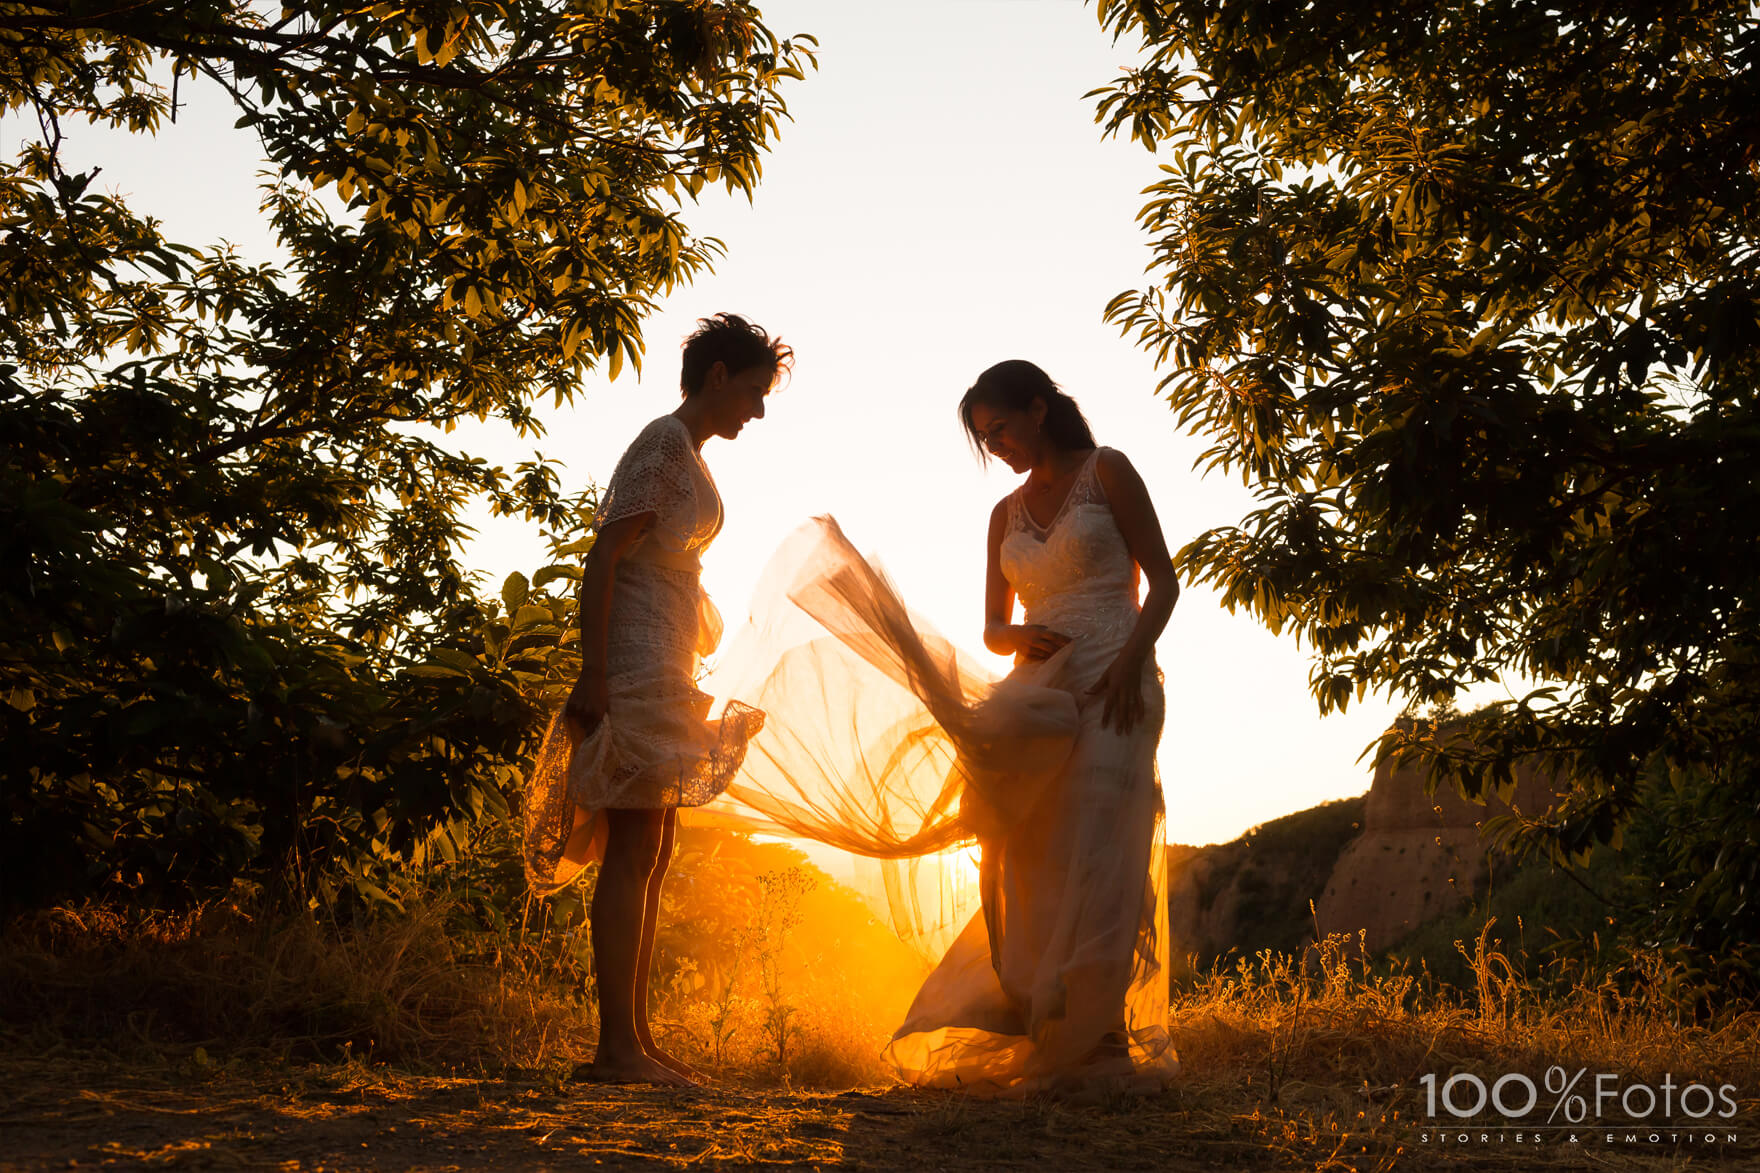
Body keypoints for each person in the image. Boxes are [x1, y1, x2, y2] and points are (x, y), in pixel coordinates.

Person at [710, 358, 1181, 1096]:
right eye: (986, 438)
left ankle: (1106, 1039)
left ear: (1038, 408)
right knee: (1026, 854)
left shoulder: (1108, 470)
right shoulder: (1006, 513)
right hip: (1040, 695)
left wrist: (1129, 664)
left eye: (1001, 429)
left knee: (1105, 848)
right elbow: (993, 625)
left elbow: (1165, 580)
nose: (998, 446)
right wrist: (1016, 636)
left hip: (1121, 684)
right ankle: (1044, 1016)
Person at [523, 312, 790, 1086]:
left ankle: (635, 1039)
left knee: (654, 848)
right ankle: (616, 1050)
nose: (758, 409)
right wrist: (596, 672)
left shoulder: (689, 455)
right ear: (716, 376)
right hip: (633, 661)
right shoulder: (664, 445)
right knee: (634, 845)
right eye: (752, 390)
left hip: (665, 659)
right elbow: (605, 554)